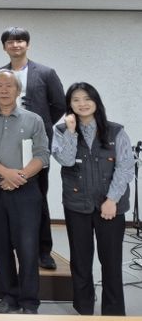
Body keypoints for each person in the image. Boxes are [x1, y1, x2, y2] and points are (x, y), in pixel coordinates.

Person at [0, 27, 65, 270]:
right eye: (10, 42)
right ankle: (8, 245)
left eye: (20, 41)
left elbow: (59, 104)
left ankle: (43, 250)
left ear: (27, 45)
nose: (16, 45)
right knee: (5, 199)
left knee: (37, 196)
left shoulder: (46, 73)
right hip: (5, 143)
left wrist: (37, 123)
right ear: (4, 47)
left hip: (34, 144)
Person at [52, 83, 134, 316]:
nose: (82, 104)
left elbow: (125, 167)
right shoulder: (61, 131)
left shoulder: (115, 131)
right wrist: (71, 132)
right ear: (70, 104)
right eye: (76, 100)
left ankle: (113, 313)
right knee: (80, 260)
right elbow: (66, 160)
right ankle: (84, 309)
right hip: (77, 204)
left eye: (87, 98)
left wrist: (112, 200)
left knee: (111, 261)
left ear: (96, 101)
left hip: (111, 206)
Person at [0, 70, 49, 314]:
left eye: (9, 85)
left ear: (18, 90)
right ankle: (8, 296)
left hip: (26, 190)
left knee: (28, 246)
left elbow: (42, 154)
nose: (4, 90)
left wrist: (19, 177)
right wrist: (5, 173)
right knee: (1, 245)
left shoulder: (34, 120)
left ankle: (29, 302)